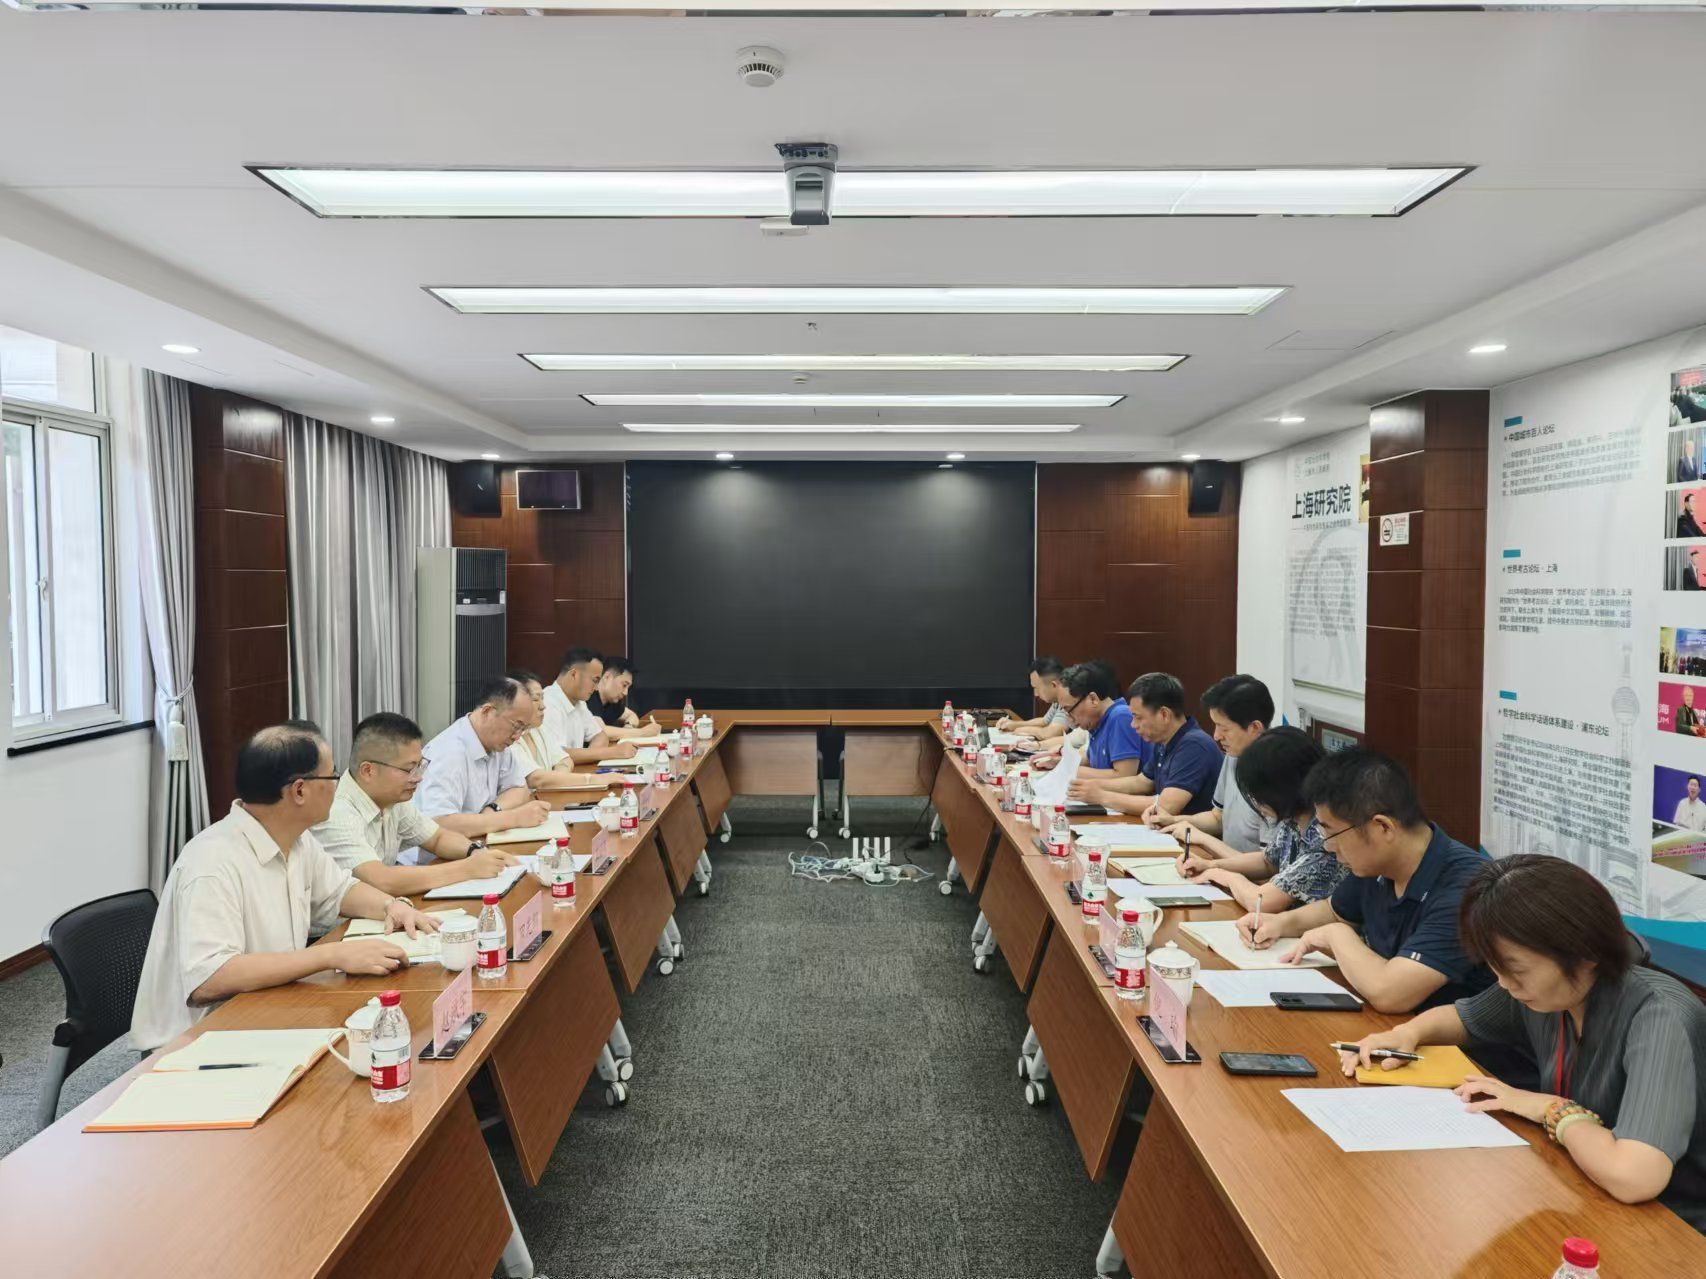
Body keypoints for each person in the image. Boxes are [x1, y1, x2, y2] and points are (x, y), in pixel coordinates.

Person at [1341, 855, 1706, 1234]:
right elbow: (1464, 1019)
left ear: (1585, 955)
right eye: (1495, 968)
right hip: (1579, 1190)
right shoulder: (1550, 990)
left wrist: (1549, 1108)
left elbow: (1635, 1177)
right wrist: (1407, 1034)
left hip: (1671, 1228)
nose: (1504, 984)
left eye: (1515, 970)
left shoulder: (1659, 1015)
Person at [130, 721, 440, 1051]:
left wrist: (391, 906)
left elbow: (340, 891)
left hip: (269, 1010)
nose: (338, 786)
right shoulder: (212, 863)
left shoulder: (296, 839)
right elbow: (210, 978)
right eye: (332, 776)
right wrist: (330, 954)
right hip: (200, 1042)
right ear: (299, 791)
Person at [1237, 746, 1492, 1013]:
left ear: (1383, 827)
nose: (1327, 846)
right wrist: (1279, 923)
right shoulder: (1378, 863)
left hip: (1439, 1036)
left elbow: (1390, 994)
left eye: (1331, 833)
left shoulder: (1467, 889)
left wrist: (1336, 936)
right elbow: (1334, 911)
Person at [315, 712, 523, 894]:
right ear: (368, 771)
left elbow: (437, 838)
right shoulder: (337, 814)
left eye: (420, 766)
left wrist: (476, 851)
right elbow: (382, 880)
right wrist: (468, 869)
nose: (418, 777)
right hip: (343, 924)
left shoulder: (393, 800)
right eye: (409, 769)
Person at [1169, 727, 1345, 912]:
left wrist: (1222, 875)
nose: (1254, 801)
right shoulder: (1294, 820)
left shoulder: (1325, 836)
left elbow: (1261, 901)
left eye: (1259, 792)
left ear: (1284, 788)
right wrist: (1210, 865)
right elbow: (1267, 862)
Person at [414, 676, 553, 855]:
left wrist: (492, 810)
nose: (517, 736)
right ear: (487, 711)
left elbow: (519, 788)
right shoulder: (448, 753)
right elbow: (439, 824)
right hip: (435, 860)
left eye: (523, 729)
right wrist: (513, 818)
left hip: (477, 844)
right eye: (516, 726)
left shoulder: (498, 743)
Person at [1073, 672, 1221, 821]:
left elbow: (1166, 806)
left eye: (1138, 717)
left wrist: (1102, 796)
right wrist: (1091, 786)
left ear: (1164, 714)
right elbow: (1141, 782)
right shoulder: (1163, 741)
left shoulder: (1194, 745)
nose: (1133, 725)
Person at [1153, 674, 1274, 850]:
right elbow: (1218, 817)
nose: (1216, 736)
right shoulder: (1233, 756)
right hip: (1223, 862)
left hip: (1240, 867)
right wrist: (1174, 820)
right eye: (1216, 726)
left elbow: (1266, 862)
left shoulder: (1275, 774)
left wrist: (1203, 840)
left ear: (1255, 728)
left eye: (1224, 728)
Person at [1035, 660, 1149, 781]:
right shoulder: (1096, 722)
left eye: (1070, 710)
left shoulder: (1120, 717)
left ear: (1093, 699)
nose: (1069, 719)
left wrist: (1068, 769)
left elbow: (1124, 775)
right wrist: (1058, 762)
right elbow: (1091, 760)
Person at [505, 668, 606, 789]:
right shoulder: (508, 738)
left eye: (542, 698)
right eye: (536, 699)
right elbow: (536, 779)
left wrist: (557, 779)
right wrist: (593, 779)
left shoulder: (538, 729)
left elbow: (565, 759)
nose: (543, 706)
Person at [543, 648, 639, 766]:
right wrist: (613, 752)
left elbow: (600, 736)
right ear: (574, 674)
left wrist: (590, 755)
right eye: (595, 680)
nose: (596, 687)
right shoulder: (547, 703)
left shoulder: (579, 703)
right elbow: (558, 755)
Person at [995, 657, 1073, 743]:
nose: (1036, 694)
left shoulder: (1069, 697)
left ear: (1053, 685)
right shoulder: (1056, 700)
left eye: (1036, 688)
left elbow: (1052, 733)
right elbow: (1045, 721)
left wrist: (1023, 729)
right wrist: (1014, 724)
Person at [589, 655, 660, 740]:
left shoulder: (612, 702)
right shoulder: (589, 696)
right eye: (624, 685)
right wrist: (643, 732)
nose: (625, 693)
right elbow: (600, 732)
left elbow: (632, 715)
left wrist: (628, 727)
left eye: (628, 688)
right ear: (607, 677)